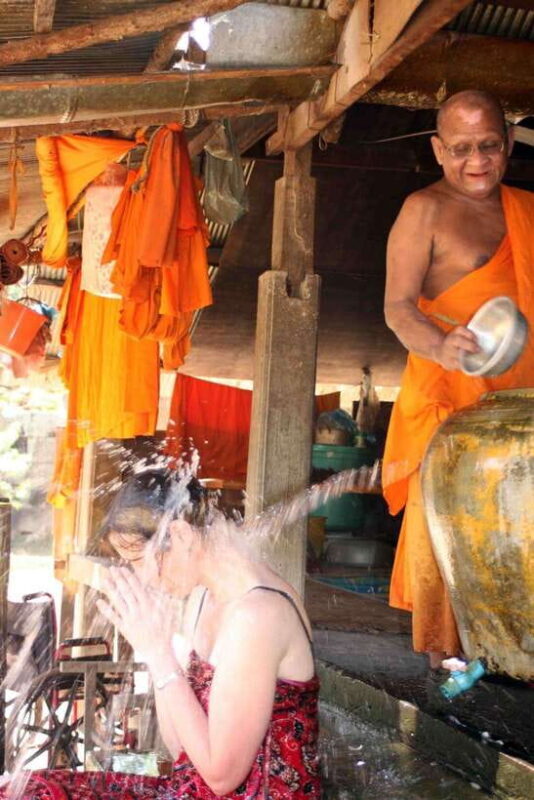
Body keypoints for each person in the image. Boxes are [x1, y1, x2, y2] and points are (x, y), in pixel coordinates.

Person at [4, 468, 321, 799]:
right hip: (191, 789)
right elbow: (180, 748)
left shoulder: (258, 615)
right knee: (24, 791)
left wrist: (159, 655)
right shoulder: (203, 596)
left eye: (139, 560)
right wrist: (162, 645)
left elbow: (221, 777)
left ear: (180, 535)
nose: (142, 577)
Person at [382, 90, 534, 668]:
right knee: (451, 538)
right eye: (462, 148)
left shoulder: (526, 209)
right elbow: (398, 308)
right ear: (438, 150)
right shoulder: (423, 209)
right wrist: (441, 346)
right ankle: (447, 681)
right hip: (452, 402)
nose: (477, 161)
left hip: (520, 408)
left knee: (520, 534)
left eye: (489, 146)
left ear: (509, 143)